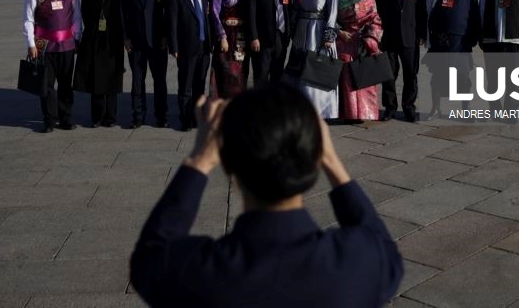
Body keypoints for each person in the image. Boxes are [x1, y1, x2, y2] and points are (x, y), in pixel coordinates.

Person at [130, 84, 404, 308]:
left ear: (227, 165)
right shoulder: (358, 262)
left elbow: (150, 256)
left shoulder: (203, 273)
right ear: (315, 158)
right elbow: (383, 247)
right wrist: (333, 161)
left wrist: (200, 157)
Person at [23, 0, 82, 133]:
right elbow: (28, 19)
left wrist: (77, 37)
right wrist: (31, 44)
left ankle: (66, 118)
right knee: (46, 85)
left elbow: (76, 16)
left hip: (66, 45)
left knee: (65, 84)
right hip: (45, 45)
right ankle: (49, 119)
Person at [372, 0, 427, 122]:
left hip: (410, 37)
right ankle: (389, 107)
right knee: (388, 75)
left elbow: (421, 10)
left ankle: (409, 107)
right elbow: (374, 12)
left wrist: (421, 34)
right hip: (387, 37)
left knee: (410, 74)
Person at [424, 0, 481, 120]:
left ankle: (465, 109)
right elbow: (427, 14)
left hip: (460, 40)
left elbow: (474, 13)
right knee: (438, 75)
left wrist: (474, 37)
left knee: (463, 76)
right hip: (439, 40)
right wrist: (428, 39)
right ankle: (436, 107)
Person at [121, 0, 172, 129]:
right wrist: (125, 37)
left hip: (158, 41)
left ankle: (161, 115)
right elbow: (122, 13)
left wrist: (167, 35)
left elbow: (169, 12)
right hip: (135, 41)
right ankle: (138, 115)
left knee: (160, 80)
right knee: (137, 80)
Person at [72, 0, 124, 128]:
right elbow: (83, 12)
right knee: (96, 78)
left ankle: (110, 116)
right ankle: (96, 116)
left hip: (113, 38)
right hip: (94, 37)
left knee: (112, 78)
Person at [289, 0, 339, 118]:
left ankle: (318, 110)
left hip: (318, 31)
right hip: (302, 29)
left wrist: (328, 37)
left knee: (316, 69)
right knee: (298, 68)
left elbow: (332, 14)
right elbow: (295, 8)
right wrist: (292, 29)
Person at [336, 0, 383, 122]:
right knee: (344, 79)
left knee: (362, 78)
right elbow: (330, 18)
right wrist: (339, 31)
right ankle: (347, 113)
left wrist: (370, 39)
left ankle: (364, 112)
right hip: (342, 40)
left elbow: (374, 17)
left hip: (362, 41)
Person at [169, 0, 213, 131]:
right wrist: (174, 47)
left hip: (205, 47)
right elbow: (171, 24)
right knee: (186, 85)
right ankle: (185, 118)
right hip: (186, 48)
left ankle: (197, 117)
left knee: (200, 85)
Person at [244, 0, 291, 86]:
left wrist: (289, 33)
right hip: (261, 40)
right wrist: (253, 37)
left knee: (278, 75)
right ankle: (260, 108)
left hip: (281, 38)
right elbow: (250, 12)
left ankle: (274, 107)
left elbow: (288, 8)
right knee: (261, 77)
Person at [209, 0, 249, 98]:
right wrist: (222, 37)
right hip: (224, 36)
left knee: (239, 73)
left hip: (241, 37)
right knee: (223, 72)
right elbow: (214, 14)